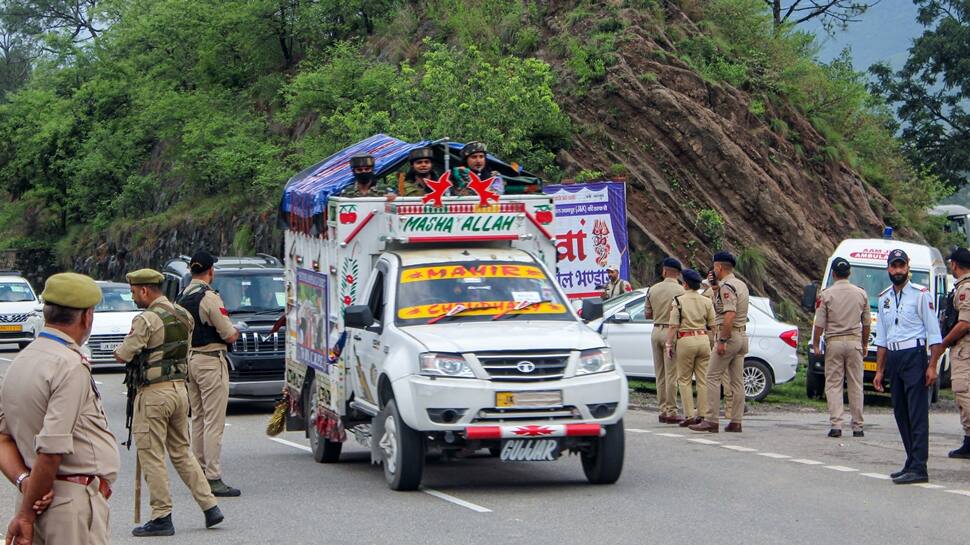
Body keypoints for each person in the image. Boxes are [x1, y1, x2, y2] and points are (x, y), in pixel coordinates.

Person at [0, 273, 119, 545]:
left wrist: (24, 483)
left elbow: (3, 438)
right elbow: (52, 449)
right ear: (87, 317)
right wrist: (26, 516)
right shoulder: (69, 365)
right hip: (70, 503)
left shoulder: (20, 361)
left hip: (36, 494)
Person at [114, 269, 224, 537]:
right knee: (182, 451)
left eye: (133, 292)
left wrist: (120, 350)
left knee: (151, 454)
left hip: (154, 394)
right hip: (178, 390)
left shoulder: (147, 319)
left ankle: (162, 515)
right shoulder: (183, 315)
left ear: (145, 290)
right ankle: (210, 506)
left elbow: (124, 353)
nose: (133, 297)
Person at [873, 248, 943, 485]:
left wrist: (932, 366)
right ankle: (910, 460)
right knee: (901, 412)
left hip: (914, 355)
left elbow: (934, 334)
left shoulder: (921, 295)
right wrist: (880, 370)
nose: (898, 271)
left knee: (917, 413)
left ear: (908, 267)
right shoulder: (884, 298)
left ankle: (919, 466)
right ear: (888, 269)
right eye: (894, 266)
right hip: (893, 357)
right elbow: (881, 338)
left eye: (901, 266)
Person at [177, 251, 242, 497]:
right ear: (211, 271)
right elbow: (227, 333)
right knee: (214, 421)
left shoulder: (182, 296)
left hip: (190, 360)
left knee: (198, 419)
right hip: (210, 360)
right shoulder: (209, 297)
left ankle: (200, 472)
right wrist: (234, 333)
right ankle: (213, 477)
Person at [690, 251, 749, 433]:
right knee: (737, 381)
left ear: (719, 267)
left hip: (728, 336)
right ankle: (736, 421)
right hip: (741, 336)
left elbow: (729, 314)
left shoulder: (727, 286)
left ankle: (711, 419)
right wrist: (715, 288)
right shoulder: (740, 284)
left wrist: (722, 340)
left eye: (714, 266)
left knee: (712, 377)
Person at [811, 257, 870, 438]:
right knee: (855, 384)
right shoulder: (861, 294)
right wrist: (865, 343)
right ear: (849, 273)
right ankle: (858, 426)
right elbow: (866, 323)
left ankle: (836, 425)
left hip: (834, 341)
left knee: (834, 383)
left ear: (834, 274)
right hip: (854, 342)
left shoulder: (826, 294)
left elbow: (819, 324)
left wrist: (815, 343)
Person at [665, 268, 715, 427]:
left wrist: (668, 344)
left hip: (685, 340)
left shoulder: (678, 301)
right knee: (702, 380)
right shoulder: (706, 301)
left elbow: (673, 326)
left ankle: (689, 415)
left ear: (685, 284)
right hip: (703, 339)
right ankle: (702, 414)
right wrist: (712, 342)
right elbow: (713, 325)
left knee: (684, 379)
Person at [935, 247, 970, 459]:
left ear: (955, 265)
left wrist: (944, 342)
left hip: (965, 348)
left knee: (963, 392)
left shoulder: (966, 289)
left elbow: (965, 323)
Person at [646, 257, 686, 424]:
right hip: (672, 332)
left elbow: (647, 314)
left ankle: (662, 409)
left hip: (656, 330)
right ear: (678, 273)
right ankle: (671, 410)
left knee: (660, 373)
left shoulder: (652, 289)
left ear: (664, 271)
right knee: (672, 374)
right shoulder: (681, 291)